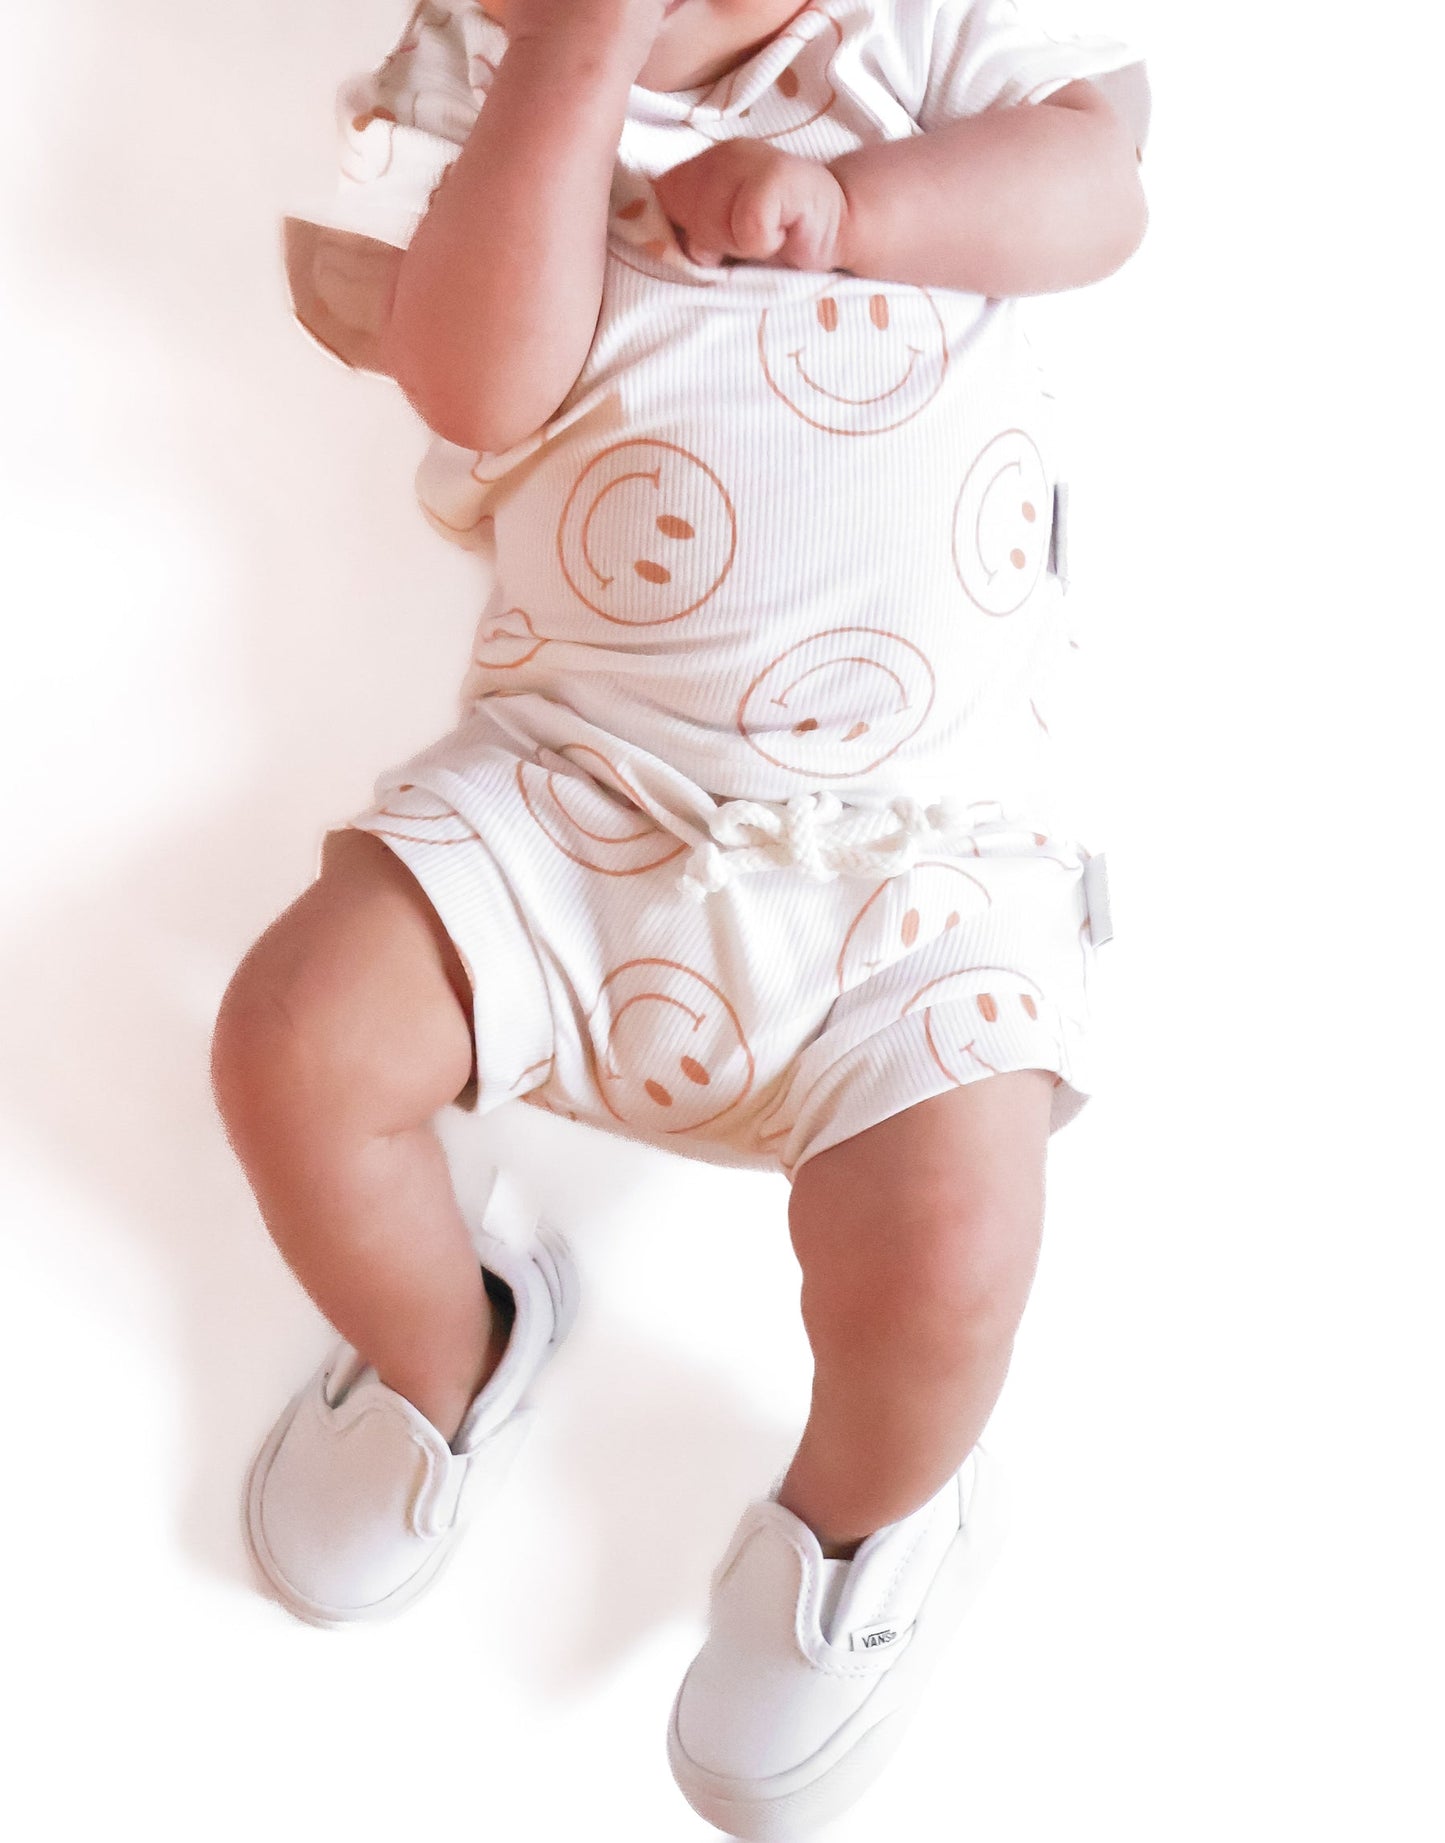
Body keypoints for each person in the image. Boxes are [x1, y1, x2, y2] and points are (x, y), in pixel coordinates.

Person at [211, 0, 1148, 1833]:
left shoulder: (924, 37)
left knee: (951, 1254)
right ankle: (442, 1345)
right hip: (577, 800)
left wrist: (850, 203)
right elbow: (476, 386)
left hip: (918, 863)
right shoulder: (468, 85)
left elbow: (1098, 194)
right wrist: (575, 60)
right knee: (293, 1043)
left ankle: (864, 1522)